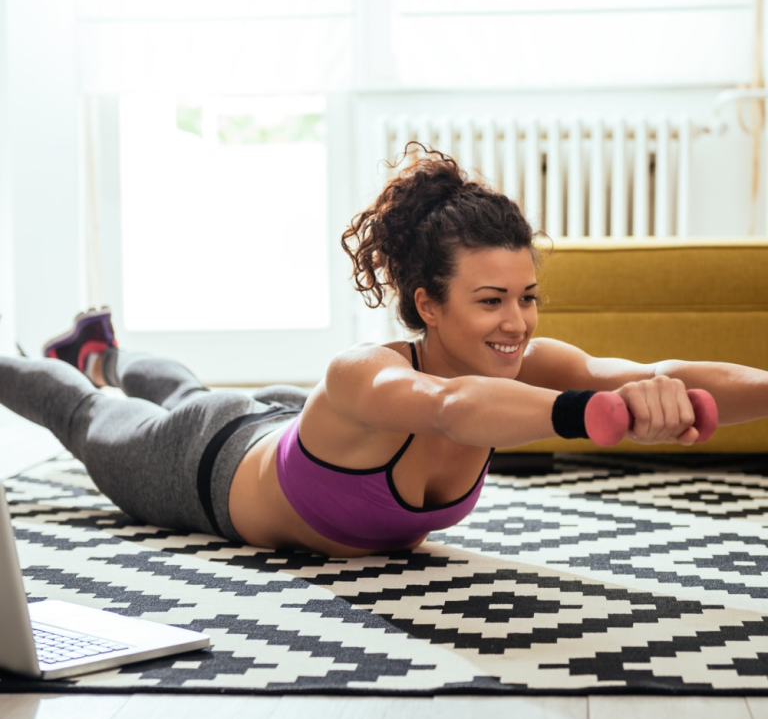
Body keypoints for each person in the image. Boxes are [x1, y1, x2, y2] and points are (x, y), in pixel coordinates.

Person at [2, 145, 767, 558]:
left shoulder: (519, 366)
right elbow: (453, 409)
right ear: (427, 305)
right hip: (198, 465)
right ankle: (90, 362)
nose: (519, 324)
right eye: (491, 301)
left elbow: (647, 374)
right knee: (86, 410)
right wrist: (595, 414)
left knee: (189, 386)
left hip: (270, 420)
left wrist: (658, 392)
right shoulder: (366, 371)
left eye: (527, 297)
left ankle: (106, 345)